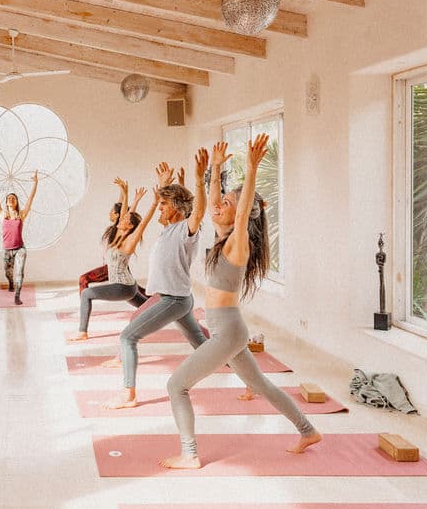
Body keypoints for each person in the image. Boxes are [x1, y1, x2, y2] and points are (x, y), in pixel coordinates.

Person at [160, 137, 322, 469]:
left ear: (240, 216)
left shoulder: (237, 242)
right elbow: (217, 203)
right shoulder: (221, 240)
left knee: (176, 385)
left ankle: (190, 454)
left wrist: (250, 167)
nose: (218, 205)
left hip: (227, 332)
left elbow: (245, 208)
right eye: (219, 202)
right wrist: (213, 170)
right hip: (228, 329)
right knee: (259, 383)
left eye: (226, 204)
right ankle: (307, 430)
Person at [103, 154, 211, 409]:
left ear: (176, 207)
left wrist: (197, 179)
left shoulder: (186, 228)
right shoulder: (168, 229)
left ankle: (128, 395)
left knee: (128, 337)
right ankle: (242, 367)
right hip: (174, 298)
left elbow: (198, 210)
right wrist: (163, 185)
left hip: (173, 299)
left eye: (163, 204)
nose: (159, 208)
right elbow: (169, 208)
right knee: (203, 345)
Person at [70, 186, 156, 342]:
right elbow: (125, 215)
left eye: (124, 220)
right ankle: (175, 314)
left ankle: (82, 332)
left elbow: (142, 224)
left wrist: (154, 203)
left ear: (129, 226)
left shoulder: (130, 241)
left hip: (123, 287)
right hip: (128, 286)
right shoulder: (117, 234)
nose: (120, 219)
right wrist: (132, 198)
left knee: (86, 294)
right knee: (149, 308)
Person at [0, 170, 39, 305]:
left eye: (13, 198)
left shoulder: (21, 214)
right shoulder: (2, 214)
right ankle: (10, 283)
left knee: (20, 272)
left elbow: (30, 199)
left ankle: (17, 295)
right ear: (6, 202)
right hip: (7, 250)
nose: (11, 199)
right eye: (9, 198)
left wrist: (35, 182)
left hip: (20, 248)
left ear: (16, 202)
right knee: (8, 272)